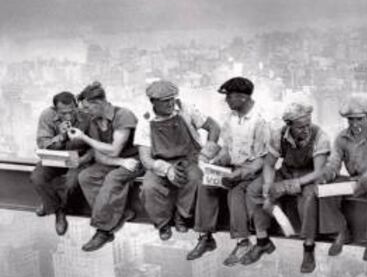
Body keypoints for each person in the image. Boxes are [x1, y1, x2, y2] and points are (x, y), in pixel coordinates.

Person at [187, 77, 271, 266]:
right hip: (233, 167)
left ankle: (243, 241)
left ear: (242, 97)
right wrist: (214, 162)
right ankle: (205, 237)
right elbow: (226, 149)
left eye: (229, 97)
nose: (227, 101)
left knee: (235, 192)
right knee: (206, 184)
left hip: (254, 172)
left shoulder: (260, 121)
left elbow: (262, 159)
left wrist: (241, 173)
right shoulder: (231, 119)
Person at [249, 99, 331, 273]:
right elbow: (269, 165)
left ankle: (308, 247)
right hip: (287, 171)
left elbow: (318, 172)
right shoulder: (279, 135)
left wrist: (288, 186)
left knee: (308, 198)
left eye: (308, 124)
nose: (306, 129)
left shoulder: (320, 136)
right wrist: (269, 185)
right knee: (255, 190)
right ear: (290, 125)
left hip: (308, 177)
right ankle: (262, 240)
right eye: (301, 127)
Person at [135, 80, 221, 241]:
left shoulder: (185, 108)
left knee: (195, 179)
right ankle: (162, 223)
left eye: (171, 99)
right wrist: (167, 170)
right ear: (153, 102)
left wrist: (205, 154)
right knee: (149, 187)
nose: (170, 103)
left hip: (189, 158)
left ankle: (182, 216)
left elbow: (214, 127)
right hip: (160, 162)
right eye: (165, 101)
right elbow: (145, 158)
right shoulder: (146, 120)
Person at [69, 82, 142, 251]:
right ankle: (120, 214)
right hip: (117, 161)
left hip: (134, 160)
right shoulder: (94, 121)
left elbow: (114, 149)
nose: (86, 112)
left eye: (88, 108)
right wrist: (118, 162)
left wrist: (84, 138)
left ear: (99, 103)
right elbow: (99, 153)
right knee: (86, 176)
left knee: (113, 178)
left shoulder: (123, 115)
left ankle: (103, 230)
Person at [318, 95, 367, 260]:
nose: (355, 124)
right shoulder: (342, 137)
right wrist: (326, 174)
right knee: (325, 190)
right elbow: (334, 162)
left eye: (359, 119)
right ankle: (341, 230)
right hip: (353, 180)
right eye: (351, 120)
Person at [30, 91, 92, 235]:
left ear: (76, 107)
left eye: (72, 111)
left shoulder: (86, 116)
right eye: (64, 113)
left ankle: (55, 209)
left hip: (78, 157)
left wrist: (82, 160)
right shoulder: (47, 115)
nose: (68, 116)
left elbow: (94, 145)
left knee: (71, 183)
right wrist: (61, 137)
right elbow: (43, 143)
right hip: (55, 156)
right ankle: (56, 209)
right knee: (37, 178)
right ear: (55, 110)